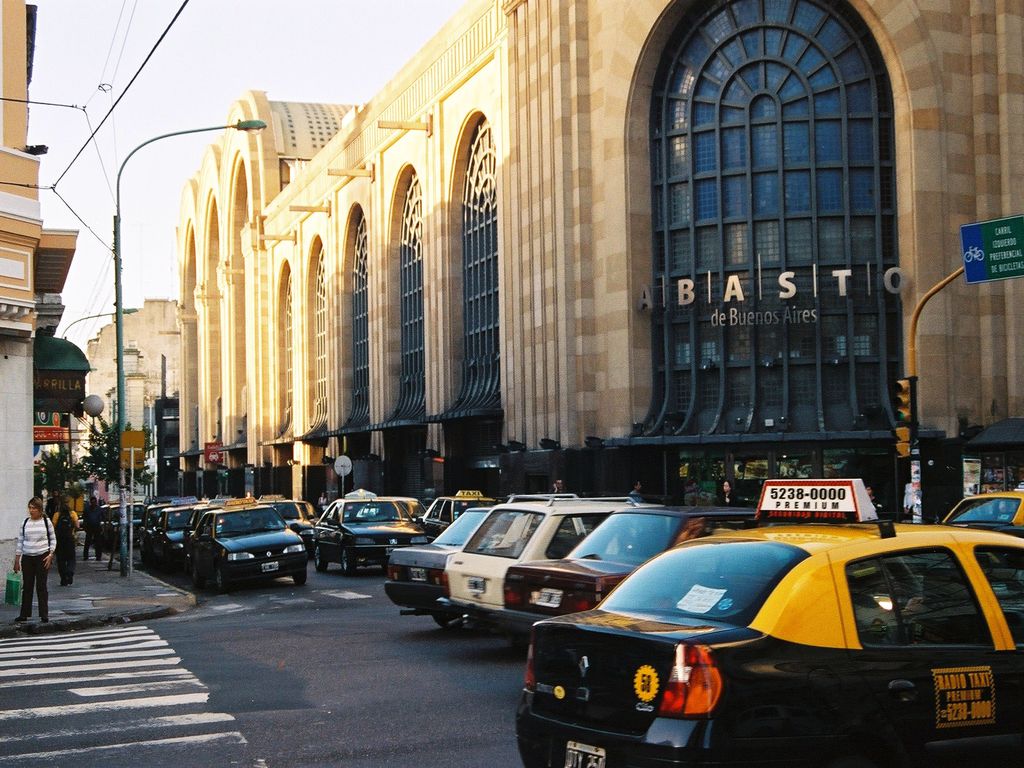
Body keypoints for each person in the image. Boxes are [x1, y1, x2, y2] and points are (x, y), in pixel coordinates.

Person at [13, 497, 55, 623]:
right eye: (30, 508)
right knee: (27, 586)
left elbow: (53, 539)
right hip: (27, 557)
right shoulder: (25, 523)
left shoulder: (46, 522)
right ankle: (24, 614)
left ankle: (44, 614)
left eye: (34, 508)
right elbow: (20, 541)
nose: (31, 511)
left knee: (41, 586)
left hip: (42, 556)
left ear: (40, 509)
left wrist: (51, 554)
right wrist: (17, 559)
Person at [51, 499, 79, 586]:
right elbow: (78, 525)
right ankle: (70, 572)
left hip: (60, 540)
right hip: (70, 539)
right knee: (71, 558)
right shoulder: (73, 514)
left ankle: (63, 579)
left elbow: (52, 528)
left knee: (60, 560)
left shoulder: (56, 515)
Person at [83, 495, 103, 560]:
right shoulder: (87, 509)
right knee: (87, 542)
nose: (93, 504)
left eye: (94, 502)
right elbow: (85, 518)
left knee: (98, 542)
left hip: (97, 527)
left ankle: (98, 556)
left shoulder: (99, 509)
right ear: (90, 502)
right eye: (92, 502)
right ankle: (85, 556)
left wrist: (103, 526)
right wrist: (85, 527)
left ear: (96, 502)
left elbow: (102, 517)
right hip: (89, 527)